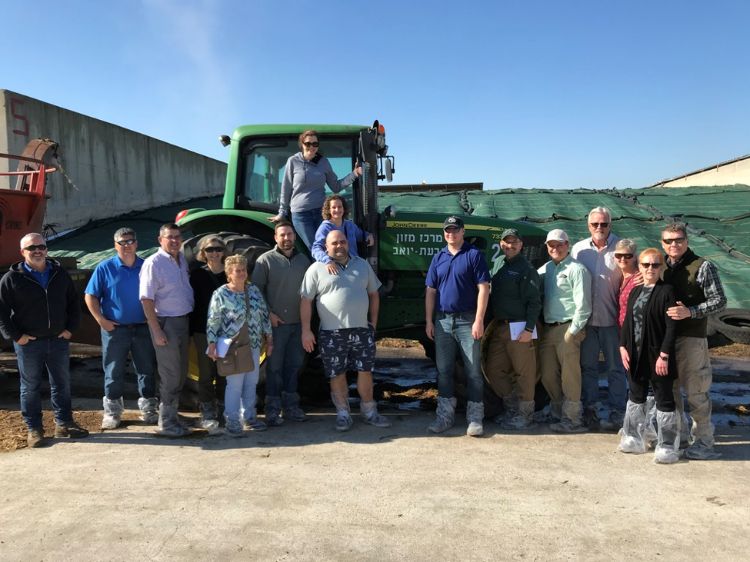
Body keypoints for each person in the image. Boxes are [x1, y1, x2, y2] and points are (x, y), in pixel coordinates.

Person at [0, 233, 88, 448]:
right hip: (29, 343)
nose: (37, 250)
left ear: (46, 249)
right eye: (32, 248)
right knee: (30, 387)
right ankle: (34, 429)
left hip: (58, 340)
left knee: (62, 383)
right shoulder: (11, 279)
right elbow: (1, 313)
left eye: (41, 246)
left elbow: (73, 303)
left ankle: (64, 423)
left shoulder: (59, 274)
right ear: (23, 253)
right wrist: (17, 336)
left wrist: (70, 328)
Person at [300, 229, 390, 431]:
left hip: (361, 330)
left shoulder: (362, 264)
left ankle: (369, 411)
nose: (339, 245)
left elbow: (374, 294)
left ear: (348, 243)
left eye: (342, 242)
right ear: (326, 247)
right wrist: (306, 330)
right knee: (337, 373)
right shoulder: (316, 269)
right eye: (334, 243)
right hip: (332, 332)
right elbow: (306, 301)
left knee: (365, 371)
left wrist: (373, 323)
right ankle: (343, 413)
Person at [662, 222, 727, 460]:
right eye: (669, 241)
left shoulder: (702, 266)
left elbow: (719, 300)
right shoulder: (662, 267)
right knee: (671, 392)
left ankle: (704, 441)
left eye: (678, 239)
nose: (674, 244)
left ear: (686, 241)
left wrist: (691, 311)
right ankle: (677, 437)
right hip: (666, 340)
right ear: (663, 243)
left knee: (696, 391)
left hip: (691, 338)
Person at [84, 227, 158, 430]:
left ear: (136, 243)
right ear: (115, 245)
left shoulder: (147, 266)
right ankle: (112, 412)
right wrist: (101, 320)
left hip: (143, 328)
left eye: (130, 241)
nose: (127, 246)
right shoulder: (105, 268)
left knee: (146, 369)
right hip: (115, 329)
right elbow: (90, 296)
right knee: (113, 370)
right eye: (122, 242)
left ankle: (149, 409)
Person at [425, 216, 490, 437]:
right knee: (444, 371)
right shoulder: (438, 257)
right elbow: (431, 291)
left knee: (473, 372)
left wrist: (479, 320)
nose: (450, 233)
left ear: (463, 231)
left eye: (455, 229)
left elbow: (483, 288)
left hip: (467, 320)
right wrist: (429, 321)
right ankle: (444, 417)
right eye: (447, 230)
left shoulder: (473, 255)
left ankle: (475, 418)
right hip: (442, 320)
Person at [619, 248, 680, 464]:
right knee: (636, 396)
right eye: (646, 264)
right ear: (640, 267)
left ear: (662, 267)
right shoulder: (636, 291)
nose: (650, 269)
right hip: (635, 354)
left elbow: (672, 327)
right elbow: (627, 323)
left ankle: (667, 444)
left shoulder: (667, 291)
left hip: (657, 355)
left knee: (663, 398)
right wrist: (623, 346)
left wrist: (664, 355)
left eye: (655, 265)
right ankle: (634, 437)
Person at [571, 207, 627, 430]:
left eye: (604, 224)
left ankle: (618, 411)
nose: (599, 228)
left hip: (612, 321)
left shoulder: (622, 248)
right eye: (595, 224)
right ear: (588, 226)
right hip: (587, 321)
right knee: (588, 367)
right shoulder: (579, 250)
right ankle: (590, 408)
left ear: (610, 225)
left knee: (616, 368)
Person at [206, 254, 273, 437]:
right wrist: (211, 343)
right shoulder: (221, 293)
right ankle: (232, 421)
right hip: (233, 346)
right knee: (234, 384)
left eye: (244, 270)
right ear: (229, 273)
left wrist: (269, 338)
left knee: (251, 382)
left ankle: (249, 417)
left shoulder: (253, 291)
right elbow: (214, 320)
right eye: (238, 270)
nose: (242, 273)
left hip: (253, 343)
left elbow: (264, 315)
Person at [252, 221, 311, 425]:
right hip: (276, 325)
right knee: (274, 368)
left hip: (298, 325)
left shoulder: (304, 261)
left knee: (294, 366)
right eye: (282, 235)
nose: (286, 239)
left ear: (294, 237)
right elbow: (256, 292)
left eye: (289, 235)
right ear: (275, 238)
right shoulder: (265, 261)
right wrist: (269, 314)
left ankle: (291, 407)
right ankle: (272, 408)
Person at [483, 228, 541, 430]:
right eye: (506, 242)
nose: (510, 245)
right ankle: (512, 408)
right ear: (501, 244)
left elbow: (534, 301)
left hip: (519, 326)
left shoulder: (526, 269)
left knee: (524, 373)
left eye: (514, 242)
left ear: (521, 245)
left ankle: (525, 415)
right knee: (494, 370)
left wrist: (528, 328)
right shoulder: (499, 264)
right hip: (500, 326)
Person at [139, 223, 194, 438]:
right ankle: (166, 423)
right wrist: (156, 330)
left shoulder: (180, 260)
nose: (174, 240)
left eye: (177, 236)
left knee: (180, 373)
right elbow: (146, 299)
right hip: (166, 323)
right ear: (160, 239)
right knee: (170, 375)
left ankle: (173, 417)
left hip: (182, 320)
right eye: (169, 237)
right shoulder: (154, 263)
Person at [268, 130, 362, 249]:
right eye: (308, 143)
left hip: (320, 213)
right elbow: (286, 188)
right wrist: (282, 212)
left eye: (315, 144)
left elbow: (336, 186)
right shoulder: (293, 161)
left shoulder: (323, 163)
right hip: (301, 215)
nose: (311, 147)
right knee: (315, 247)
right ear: (302, 144)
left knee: (329, 246)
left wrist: (354, 174)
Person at [538, 229, 592, 433]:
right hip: (549, 329)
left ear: (567, 245)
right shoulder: (547, 269)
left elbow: (584, 305)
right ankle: (557, 410)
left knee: (570, 376)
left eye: (559, 244)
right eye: (551, 245)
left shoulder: (577, 270)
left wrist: (573, 332)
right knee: (547, 374)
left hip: (568, 328)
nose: (555, 248)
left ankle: (573, 419)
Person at [189, 235, 228, 434]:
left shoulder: (230, 274)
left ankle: (223, 409)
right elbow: (192, 305)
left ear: (223, 252)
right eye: (210, 250)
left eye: (218, 249)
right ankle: (207, 410)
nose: (214, 253)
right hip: (202, 331)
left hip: (225, 332)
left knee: (223, 372)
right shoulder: (197, 275)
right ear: (203, 253)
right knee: (206, 373)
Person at [311, 195, 374, 273]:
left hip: (354, 265)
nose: (337, 209)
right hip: (336, 267)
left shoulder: (350, 225)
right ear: (329, 210)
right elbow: (315, 249)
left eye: (340, 207)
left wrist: (368, 235)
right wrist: (327, 261)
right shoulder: (325, 228)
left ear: (344, 209)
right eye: (334, 207)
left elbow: (360, 235)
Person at [614, 239, 641, 328]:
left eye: (627, 256)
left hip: (634, 330)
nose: (622, 259)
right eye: (618, 255)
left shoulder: (639, 279)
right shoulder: (620, 277)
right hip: (621, 329)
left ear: (634, 257)